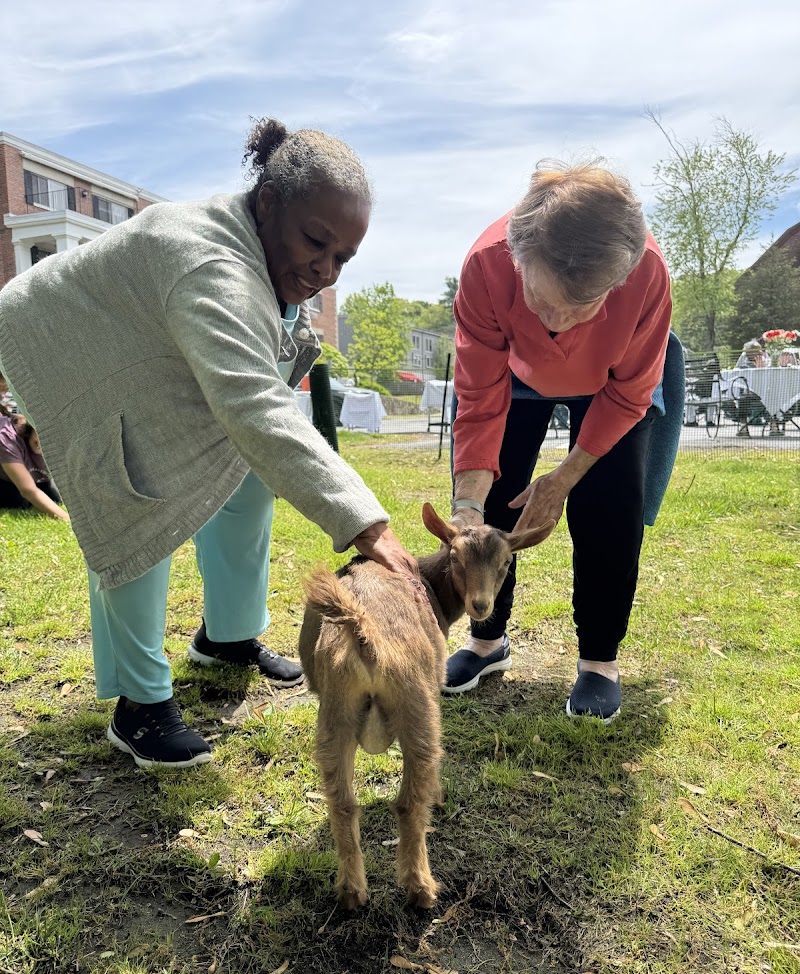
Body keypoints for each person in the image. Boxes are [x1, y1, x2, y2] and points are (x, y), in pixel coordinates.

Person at [0, 117, 419, 769]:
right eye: (317, 243)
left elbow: (258, 400)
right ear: (271, 202)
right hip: (62, 346)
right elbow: (255, 404)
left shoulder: (266, 253)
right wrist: (371, 527)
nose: (326, 270)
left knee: (245, 476)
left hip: (142, 343)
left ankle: (227, 636)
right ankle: (139, 704)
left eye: (343, 258)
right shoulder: (209, 262)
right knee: (138, 484)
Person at [444, 160, 673, 722]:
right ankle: (486, 641)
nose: (562, 325)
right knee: (495, 504)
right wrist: (467, 504)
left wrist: (564, 479)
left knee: (608, 510)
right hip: (516, 376)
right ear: (518, 263)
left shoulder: (646, 274)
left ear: (617, 282)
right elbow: (479, 400)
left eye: (582, 308)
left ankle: (599, 660)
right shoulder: (486, 266)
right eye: (545, 305)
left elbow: (629, 395)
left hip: (613, 382)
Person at [0, 415, 69, 520]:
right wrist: (66, 519)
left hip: (36, 476)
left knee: (56, 499)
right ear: (33, 425)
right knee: (19, 501)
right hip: (5, 480)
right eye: (43, 435)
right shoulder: (7, 437)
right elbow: (27, 489)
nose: (44, 443)